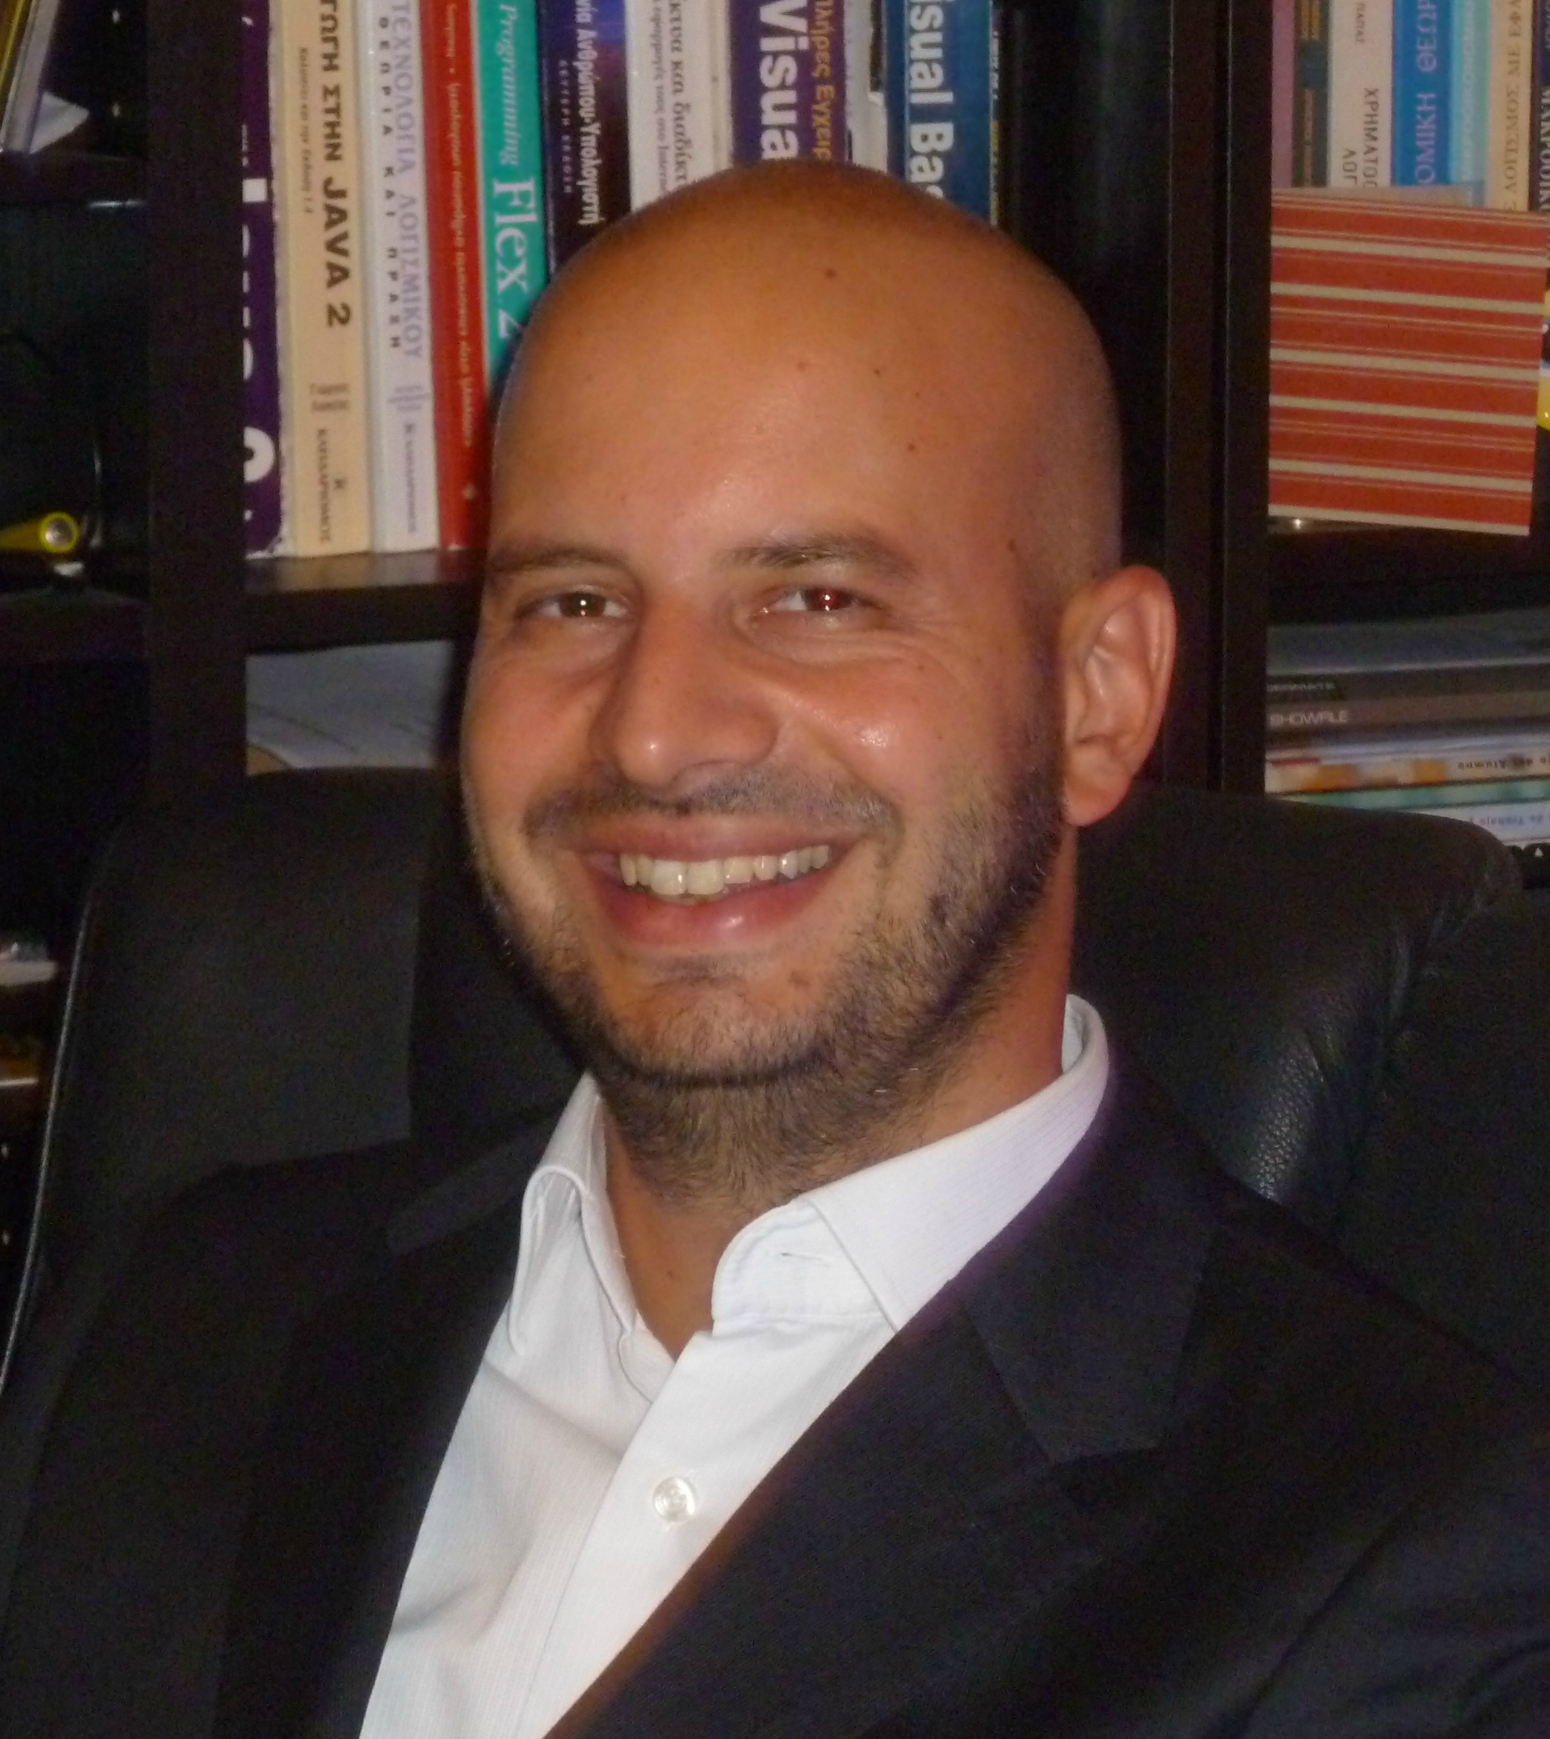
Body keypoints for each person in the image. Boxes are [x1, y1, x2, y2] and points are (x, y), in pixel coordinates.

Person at [1, 164, 1547, 1738]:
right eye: (573, 601)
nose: (654, 730)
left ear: (1097, 694)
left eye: (815, 596)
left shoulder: (1421, 1568)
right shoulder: (166, 1326)